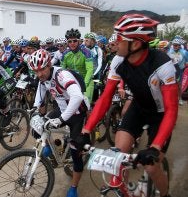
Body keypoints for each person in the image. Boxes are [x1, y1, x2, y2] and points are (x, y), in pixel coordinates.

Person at [75, 14, 177, 197]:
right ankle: (124, 191)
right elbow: (105, 98)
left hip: (160, 116)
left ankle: (165, 193)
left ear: (135, 44)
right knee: (118, 156)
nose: (115, 42)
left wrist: (154, 147)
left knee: (152, 167)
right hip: (138, 108)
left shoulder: (162, 64)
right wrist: (85, 131)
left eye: (119, 38)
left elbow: (171, 110)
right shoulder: (118, 61)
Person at [30, 49, 89, 197]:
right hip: (62, 109)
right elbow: (39, 95)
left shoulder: (61, 75)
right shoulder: (42, 79)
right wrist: (35, 109)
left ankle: (74, 187)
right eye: (36, 71)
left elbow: (77, 97)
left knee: (76, 153)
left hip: (77, 113)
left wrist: (62, 120)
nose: (39, 74)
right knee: (38, 128)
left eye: (42, 69)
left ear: (49, 64)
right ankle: (52, 148)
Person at [61, 29, 94, 102]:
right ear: (67, 43)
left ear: (79, 41)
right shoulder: (65, 54)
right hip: (73, 82)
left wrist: (84, 84)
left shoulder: (86, 52)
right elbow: (61, 71)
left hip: (86, 81)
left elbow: (90, 69)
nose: (72, 43)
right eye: (70, 41)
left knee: (85, 104)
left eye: (75, 41)